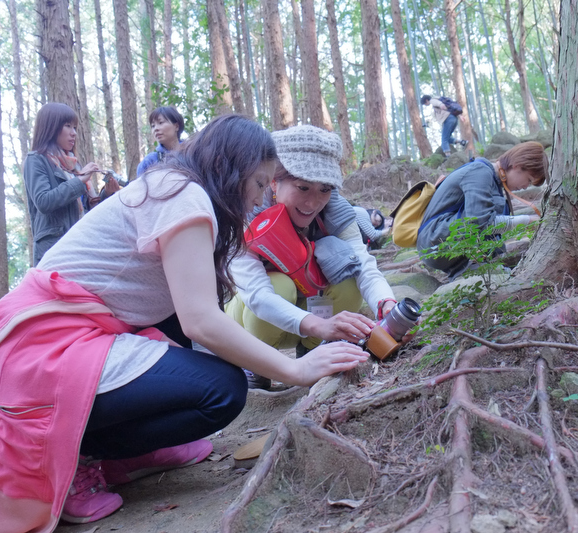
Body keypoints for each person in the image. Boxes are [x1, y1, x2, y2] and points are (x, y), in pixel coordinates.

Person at [0, 115, 367, 531]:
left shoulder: (177, 188)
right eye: (259, 184)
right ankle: (80, 453)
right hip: (45, 347)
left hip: (72, 333)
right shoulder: (183, 197)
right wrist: (295, 370)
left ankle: (128, 454)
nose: (259, 199)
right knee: (223, 389)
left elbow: (189, 314)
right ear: (233, 169)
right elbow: (201, 322)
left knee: (207, 372)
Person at [225, 125, 402, 390]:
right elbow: (257, 296)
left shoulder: (337, 213)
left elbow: (365, 266)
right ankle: (256, 363)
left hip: (312, 317)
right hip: (251, 320)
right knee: (279, 286)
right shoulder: (249, 213)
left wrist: (388, 305)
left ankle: (311, 352)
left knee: (350, 279)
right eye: (303, 187)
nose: (313, 202)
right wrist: (320, 326)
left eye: (324, 189)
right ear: (274, 181)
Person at [416, 141, 548, 279]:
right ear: (517, 165)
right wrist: (528, 221)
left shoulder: (490, 177)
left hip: (436, 242)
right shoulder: (480, 172)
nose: (526, 186)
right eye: (529, 179)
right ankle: (469, 268)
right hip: (433, 242)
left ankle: (471, 267)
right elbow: (479, 222)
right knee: (481, 216)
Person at [24, 102, 101, 264]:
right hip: (53, 249)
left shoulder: (74, 165)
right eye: (68, 126)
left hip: (80, 244)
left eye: (75, 128)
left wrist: (107, 193)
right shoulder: (36, 160)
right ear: (51, 127)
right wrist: (79, 181)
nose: (74, 133)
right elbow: (43, 201)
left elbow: (86, 209)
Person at [137, 106, 185, 177]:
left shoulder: (192, 154)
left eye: (160, 122)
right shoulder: (149, 161)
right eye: (153, 126)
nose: (156, 129)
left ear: (176, 126)